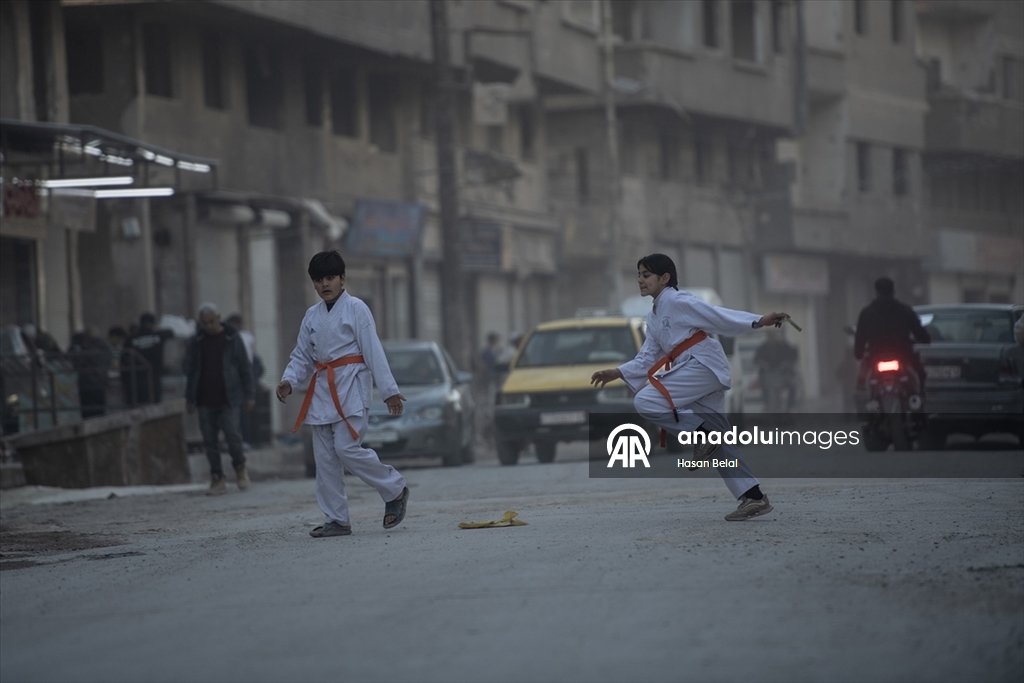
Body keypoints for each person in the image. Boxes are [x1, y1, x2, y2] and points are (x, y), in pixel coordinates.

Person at [590, 254, 789, 521]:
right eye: (638, 274)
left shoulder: (679, 300)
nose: (640, 280)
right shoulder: (654, 313)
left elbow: (718, 316)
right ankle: (753, 497)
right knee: (721, 443)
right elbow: (648, 356)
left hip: (703, 365)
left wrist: (758, 320)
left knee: (646, 401)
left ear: (665, 278)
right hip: (698, 370)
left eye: (646, 275)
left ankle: (703, 435)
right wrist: (618, 372)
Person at [276, 250, 410, 538]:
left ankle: (395, 488)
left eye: (330, 278)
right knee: (324, 459)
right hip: (322, 390)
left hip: (351, 386)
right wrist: (289, 380)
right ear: (313, 283)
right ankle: (337, 519)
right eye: (319, 279)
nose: (325, 284)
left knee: (346, 449)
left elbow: (373, 349)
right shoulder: (311, 316)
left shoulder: (357, 309)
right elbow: (302, 356)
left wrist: (389, 392)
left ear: (342, 279)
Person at [184, 303, 255, 495]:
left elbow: (245, 368)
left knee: (232, 435)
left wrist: (249, 395)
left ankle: (240, 467)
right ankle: (217, 478)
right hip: (204, 398)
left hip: (229, 397)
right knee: (209, 441)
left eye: (212, 321)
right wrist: (190, 398)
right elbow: (191, 371)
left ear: (219, 318)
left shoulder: (232, 338)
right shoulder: (196, 341)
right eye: (204, 322)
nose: (208, 326)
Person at [853, 277, 930, 395]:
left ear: (876, 292)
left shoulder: (866, 313)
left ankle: (868, 405)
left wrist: (859, 353)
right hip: (904, 354)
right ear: (893, 291)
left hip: (875, 355)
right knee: (919, 376)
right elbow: (921, 334)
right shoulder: (905, 310)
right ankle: (916, 404)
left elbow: (860, 339)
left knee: (862, 384)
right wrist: (924, 339)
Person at [122, 313, 173, 406]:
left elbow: (124, 360)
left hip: (135, 382)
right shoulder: (159, 336)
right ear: (153, 324)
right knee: (154, 411)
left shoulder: (131, 340)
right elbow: (171, 333)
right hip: (154, 380)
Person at [68, 327, 112, 419]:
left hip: (87, 385)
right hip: (100, 384)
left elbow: (77, 363)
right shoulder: (104, 347)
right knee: (100, 413)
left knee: (88, 414)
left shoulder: (85, 350)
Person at [754, 328, 799, 412]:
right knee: (764, 386)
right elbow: (756, 359)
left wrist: (787, 364)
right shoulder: (762, 348)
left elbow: (793, 355)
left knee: (792, 385)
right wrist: (762, 364)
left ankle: (790, 406)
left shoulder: (783, 346)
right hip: (768, 375)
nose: (772, 337)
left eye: (773, 335)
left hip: (784, 374)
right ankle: (767, 405)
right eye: (769, 335)